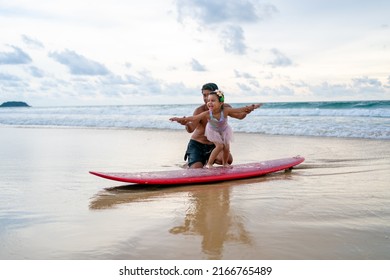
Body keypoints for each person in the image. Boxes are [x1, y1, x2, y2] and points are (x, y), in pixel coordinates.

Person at [170, 90, 262, 168]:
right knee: (220, 146)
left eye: (212, 100)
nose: (208, 101)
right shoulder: (205, 112)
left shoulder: (225, 109)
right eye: (206, 97)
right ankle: (208, 164)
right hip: (208, 135)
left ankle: (224, 163)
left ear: (220, 102)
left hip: (223, 131)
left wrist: (250, 108)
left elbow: (239, 111)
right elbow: (193, 119)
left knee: (226, 147)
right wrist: (181, 120)